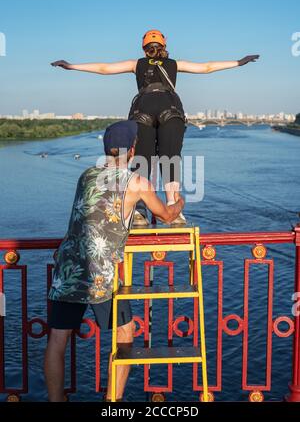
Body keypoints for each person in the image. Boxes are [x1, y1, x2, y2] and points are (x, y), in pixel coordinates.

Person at [51, 30, 259, 225]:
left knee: (142, 157)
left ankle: (140, 209)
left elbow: (104, 68)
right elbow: (207, 67)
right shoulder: (174, 64)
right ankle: (171, 205)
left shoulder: (136, 63)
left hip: (143, 109)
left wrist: (71, 66)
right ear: (164, 45)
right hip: (171, 108)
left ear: (144, 48)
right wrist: (239, 62)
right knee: (170, 157)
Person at [44, 120, 184, 402]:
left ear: (107, 149)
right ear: (132, 151)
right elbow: (166, 216)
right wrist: (178, 203)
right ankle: (113, 401)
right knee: (125, 332)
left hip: (67, 267)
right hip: (100, 274)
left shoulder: (85, 175)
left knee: (57, 341)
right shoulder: (137, 182)